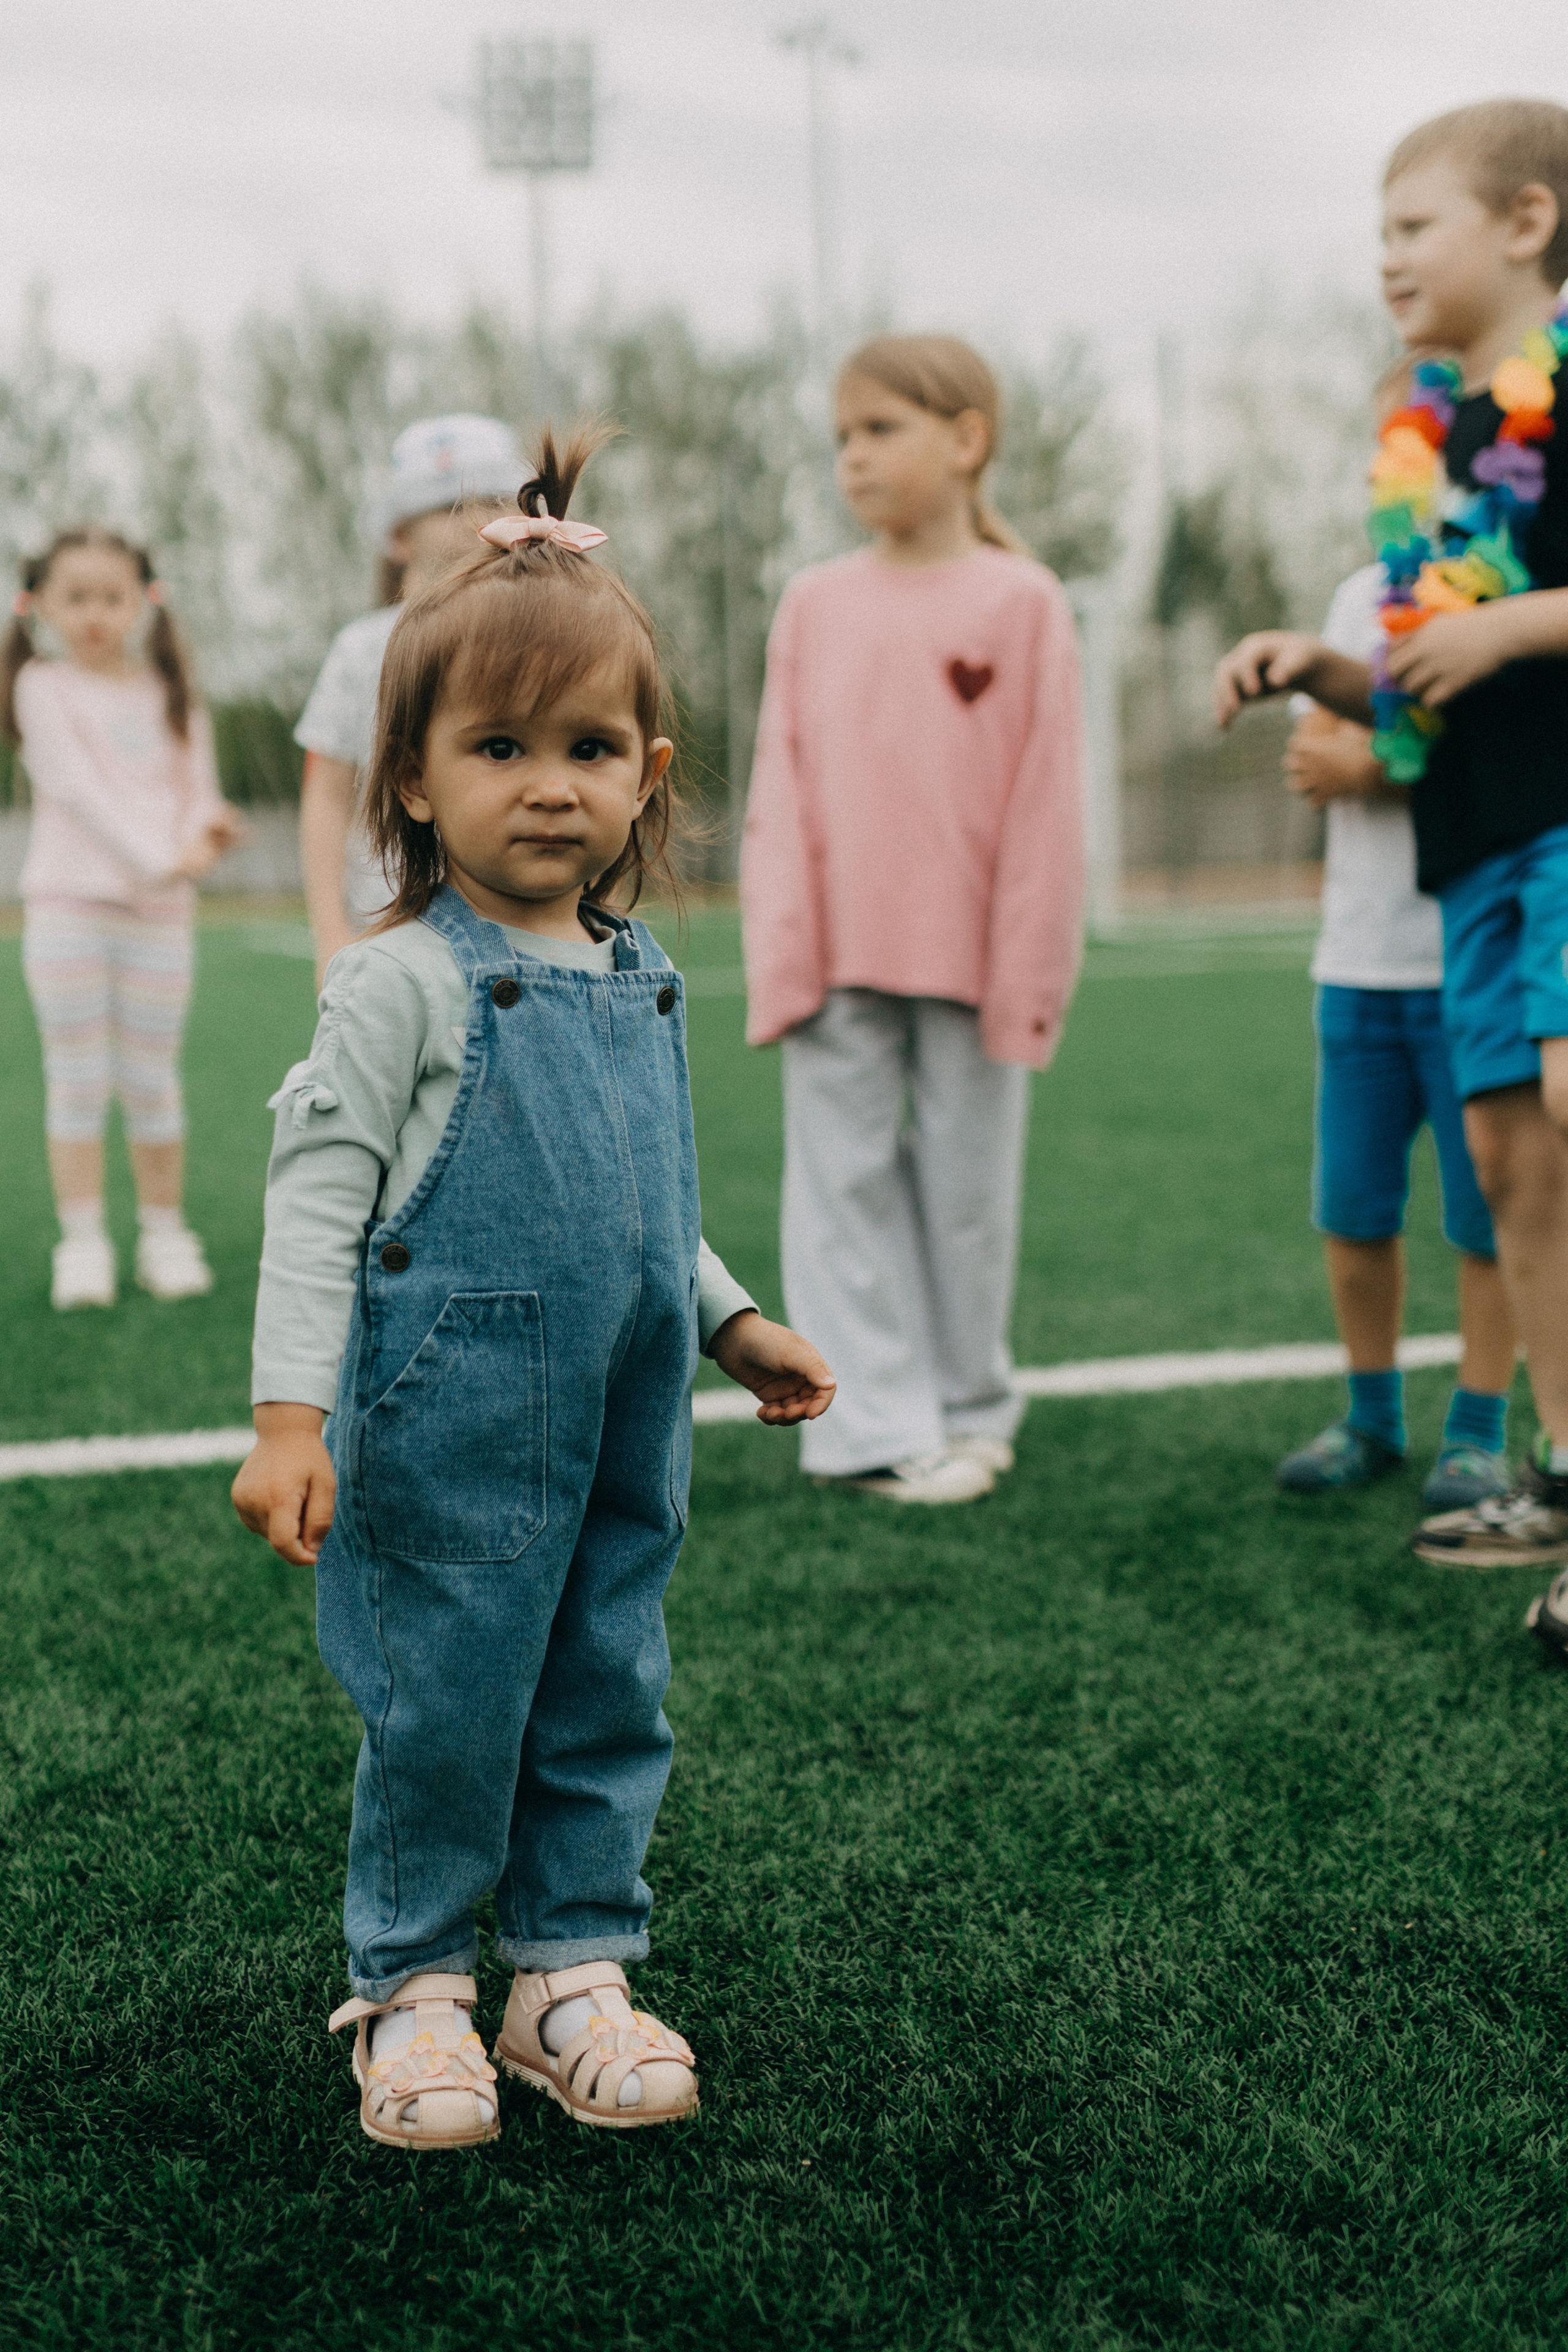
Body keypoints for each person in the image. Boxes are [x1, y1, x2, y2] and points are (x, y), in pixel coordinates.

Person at [232, 426, 835, 2150]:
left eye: (587, 747)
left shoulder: (639, 973)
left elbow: (649, 1202)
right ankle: (410, 1988)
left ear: (647, 771)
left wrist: (729, 1314)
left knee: (602, 1685)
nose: (548, 783)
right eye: (498, 747)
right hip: (448, 1411)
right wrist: (291, 1416)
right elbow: (318, 1201)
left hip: (627, 1409)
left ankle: (570, 1971)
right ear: (412, 779)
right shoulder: (401, 984)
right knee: (446, 1702)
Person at [1213, 100, 1568, 1611]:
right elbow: (1434, 688)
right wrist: (1323, 669)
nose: (1384, 258)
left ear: (1524, 222)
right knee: (1509, 1158)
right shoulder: (1437, 442)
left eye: (1410, 226)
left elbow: (1496, 639)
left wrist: (1499, 624)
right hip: (1469, 852)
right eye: (1377, 233)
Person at [740, 334, 1084, 1506]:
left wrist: (1028, 969)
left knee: (970, 1195)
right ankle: (869, 1426)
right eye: (842, 436)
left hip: (976, 962)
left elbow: (1045, 806)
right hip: (835, 959)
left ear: (967, 439)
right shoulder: (814, 602)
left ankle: (973, 1405)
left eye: (880, 429)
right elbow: (778, 790)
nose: (854, 457)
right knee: (836, 1191)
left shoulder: (1025, 601)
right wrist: (782, 950)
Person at [1274, 549, 1517, 1506]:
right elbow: (1313, 755)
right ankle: (1371, 1417)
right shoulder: (1358, 596)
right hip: (1359, 968)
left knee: (1487, 1218)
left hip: (1473, 968)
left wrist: (1378, 764)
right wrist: (1375, 757)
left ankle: (1479, 1430)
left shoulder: (1508, 592)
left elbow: (1510, 769)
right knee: (1353, 1210)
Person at [4, 527, 244, 1310]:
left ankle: (164, 1234)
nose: (94, 614)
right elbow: (75, 788)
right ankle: (83, 1243)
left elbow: (197, 789)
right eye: (76, 597)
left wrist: (205, 831)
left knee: (151, 1079)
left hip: (161, 916)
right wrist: (157, 858)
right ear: (41, 604)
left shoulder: (170, 690)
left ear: (142, 599)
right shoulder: (41, 685)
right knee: (76, 1081)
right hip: (70, 910)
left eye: (111, 596)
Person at [296, 413, 527, 983]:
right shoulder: (361, 649)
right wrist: (330, 934)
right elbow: (327, 797)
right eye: (453, 504)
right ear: (399, 536)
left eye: (499, 500)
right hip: (388, 935)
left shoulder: (548, 643)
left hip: (522, 933)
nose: (481, 517)